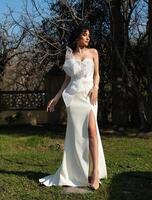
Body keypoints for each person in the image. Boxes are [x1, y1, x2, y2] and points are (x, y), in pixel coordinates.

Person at [39, 25, 107, 190]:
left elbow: (97, 74)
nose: (88, 38)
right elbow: (66, 81)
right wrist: (55, 99)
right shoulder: (69, 56)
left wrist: (96, 88)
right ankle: (78, 172)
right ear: (77, 36)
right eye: (85, 35)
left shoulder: (94, 52)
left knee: (92, 131)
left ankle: (95, 172)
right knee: (77, 137)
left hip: (90, 96)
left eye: (89, 36)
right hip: (74, 99)